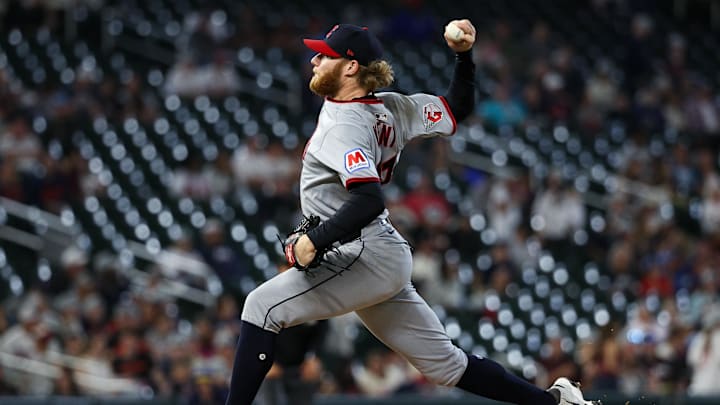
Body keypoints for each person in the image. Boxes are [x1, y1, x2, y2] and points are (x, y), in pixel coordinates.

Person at [225, 20, 599, 405]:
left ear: (351, 66)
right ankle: (556, 402)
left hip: (361, 252)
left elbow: (369, 199)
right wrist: (464, 57)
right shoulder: (390, 106)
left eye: (326, 54)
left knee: (261, 306)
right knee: (447, 366)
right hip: (380, 252)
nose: (315, 60)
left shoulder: (345, 125)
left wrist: (315, 240)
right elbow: (456, 108)